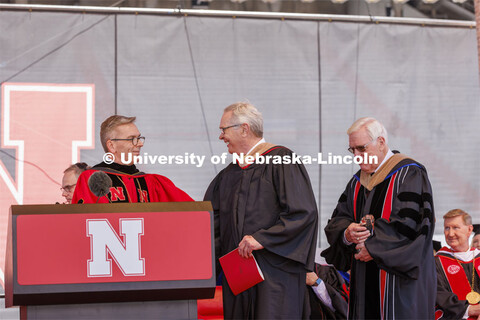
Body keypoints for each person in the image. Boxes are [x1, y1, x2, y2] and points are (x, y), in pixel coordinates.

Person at [204, 102, 318, 319]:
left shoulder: (282, 161)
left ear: (244, 129)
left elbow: (303, 214)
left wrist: (263, 239)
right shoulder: (229, 175)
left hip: (274, 277)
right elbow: (213, 226)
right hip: (239, 277)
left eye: (224, 130)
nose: (221, 137)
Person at [321, 117, 436, 319]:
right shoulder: (357, 182)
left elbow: (410, 225)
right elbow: (339, 219)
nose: (356, 156)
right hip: (364, 279)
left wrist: (373, 248)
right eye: (352, 150)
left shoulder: (408, 174)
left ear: (381, 142)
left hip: (398, 281)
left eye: (361, 148)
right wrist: (347, 233)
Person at [72, 115, 192, 203]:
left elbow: (195, 211)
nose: (140, 144)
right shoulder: (92, 179)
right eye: (132, 139)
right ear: (112, 146)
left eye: (139, 138)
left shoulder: (152, 183)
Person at [435, 209, 480, 319]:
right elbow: (437, 293)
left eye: (455, 227)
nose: (450, 234)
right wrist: (468, 309)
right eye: (447, 228)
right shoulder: (437, 262)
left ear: (469, 229)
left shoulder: (478, 257)